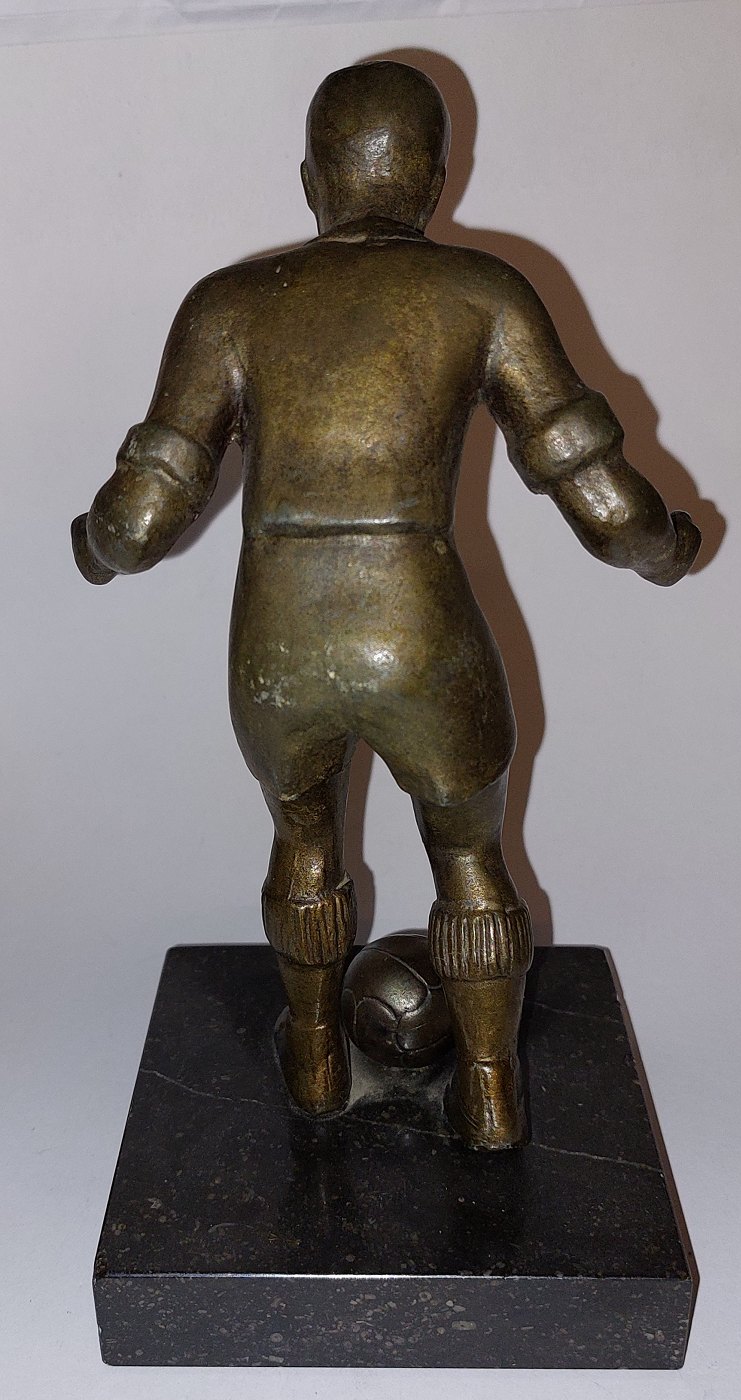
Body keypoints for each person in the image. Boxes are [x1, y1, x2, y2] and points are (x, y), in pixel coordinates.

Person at [72, 62, 700, 1147]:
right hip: (420, 630)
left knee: (303, 843)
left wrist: (89, 550)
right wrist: (668, 551)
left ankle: (316, 1062)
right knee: (470, 859)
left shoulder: (230, 305)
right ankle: (490, 1091)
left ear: (310, 179)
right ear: (435, 180)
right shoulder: (481, 292)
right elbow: (599, 497)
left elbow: (138, 520)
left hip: (279, 636)